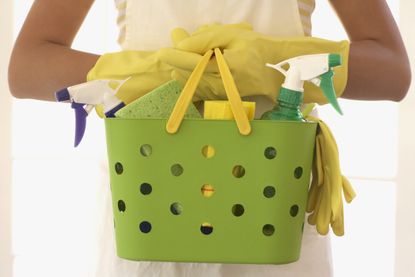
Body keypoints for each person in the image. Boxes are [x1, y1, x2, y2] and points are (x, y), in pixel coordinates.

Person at [8, 0, 411, 276]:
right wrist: (141, 72)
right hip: (151, 202)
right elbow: (26, 65)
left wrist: (276, 63)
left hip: (273, 203)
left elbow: (393, 71)